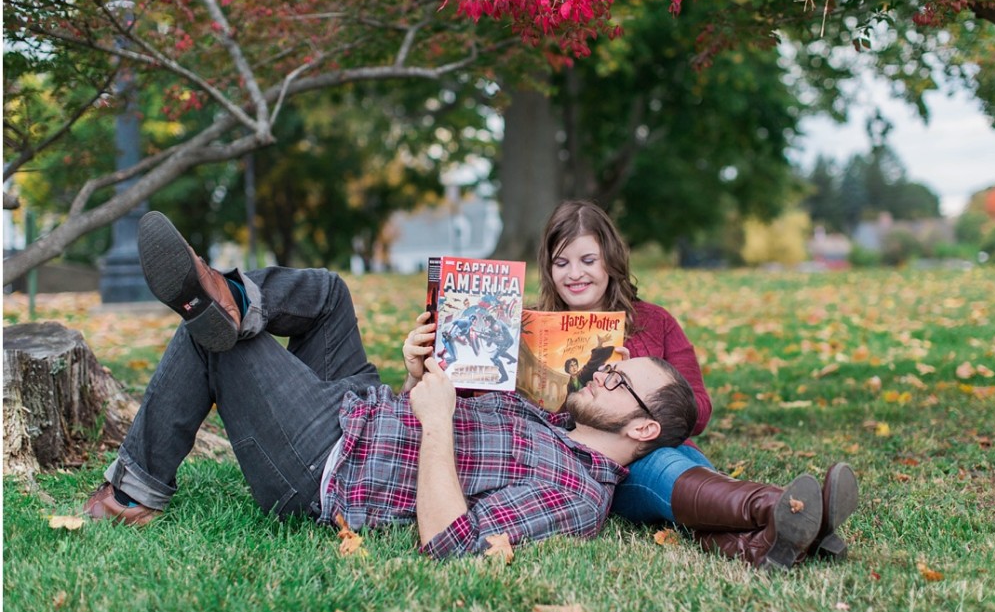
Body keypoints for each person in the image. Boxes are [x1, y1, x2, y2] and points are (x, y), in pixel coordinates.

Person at [83, 211, 707, 560]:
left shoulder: (576, 493)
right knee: (328, 294)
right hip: (365, 406)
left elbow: (450, 543)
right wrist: (419, 370)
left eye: (618, 378)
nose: (601, 368)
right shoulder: (555, 416)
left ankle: (133, 492)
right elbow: (448, 399)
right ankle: (236, 296)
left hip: (329, 461)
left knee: (215, 337)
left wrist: (435, 422)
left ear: (643, 427)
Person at [531, 201, 859, 568]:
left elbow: (698, 413)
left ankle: (775, 539)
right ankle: (790, 508)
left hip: (660, 444)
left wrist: (638, 391)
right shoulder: (531, 335)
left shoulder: (654, 323)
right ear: (549, 268)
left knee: (670, 460)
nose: (575, 274)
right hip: (589, 467)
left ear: (610, 260)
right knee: (663, 465)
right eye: (561, 263)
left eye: (588, 260)